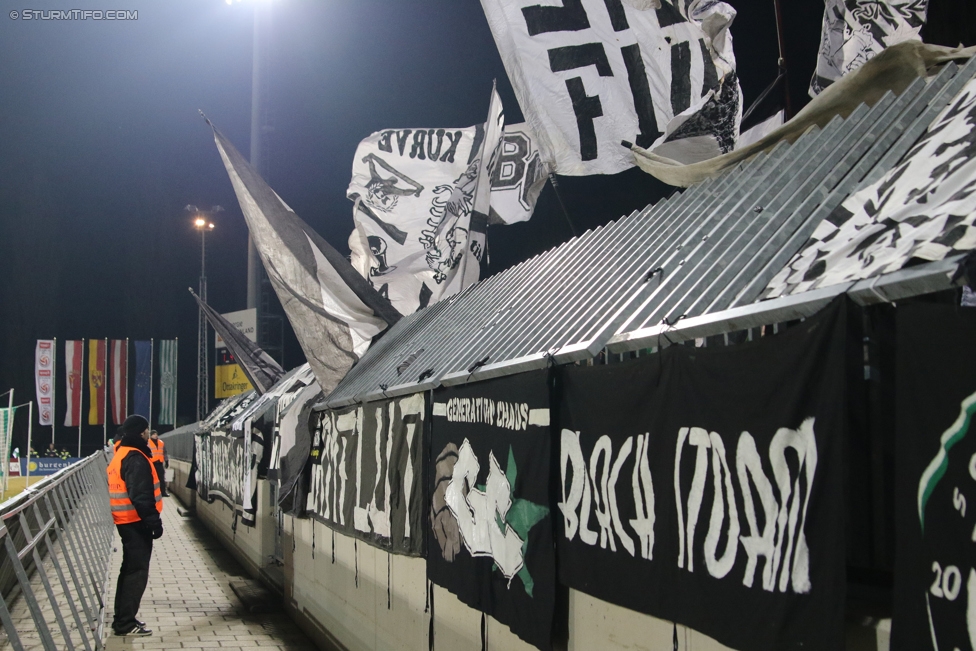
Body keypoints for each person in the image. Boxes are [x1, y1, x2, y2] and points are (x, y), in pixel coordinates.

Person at [107, 414, 163, 637]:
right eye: (148, 430)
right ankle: (125, 623)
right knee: (136, 573)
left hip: (125, 521)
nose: (149, 434)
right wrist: (154, 523)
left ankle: (121, 619)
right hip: (136, 522)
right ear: (142, 432)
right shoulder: (135, 456)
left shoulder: (121, 453)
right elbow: (141, 495)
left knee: (128, 570)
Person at [147, 430, 169, 497]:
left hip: (159, 463)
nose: (155, 435)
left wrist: (166, 460)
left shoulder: (161, 442)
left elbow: (164, 452)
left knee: (161, 478)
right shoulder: (148, 443)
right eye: (154, 434)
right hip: (152, 463)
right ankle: (151, 493)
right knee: (151, 479)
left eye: (156, 434)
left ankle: (163, 492)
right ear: (151, 435)